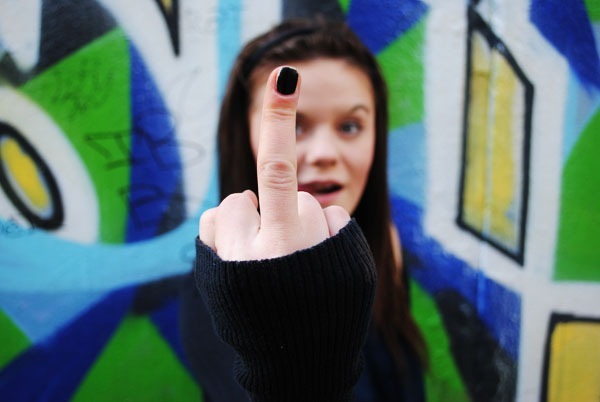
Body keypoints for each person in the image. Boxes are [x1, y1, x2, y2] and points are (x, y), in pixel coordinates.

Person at [179, 18, 427, 402]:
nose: (325, 153)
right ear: (246, 137)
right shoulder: (218, 295)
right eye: (295, 125)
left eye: (350, 126)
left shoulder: (386, 251)